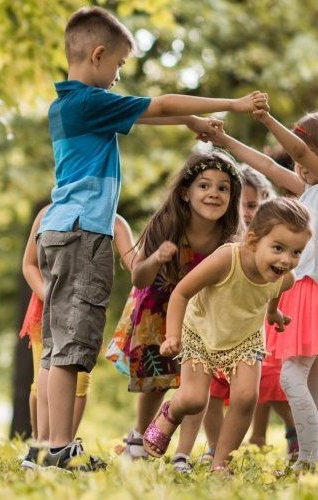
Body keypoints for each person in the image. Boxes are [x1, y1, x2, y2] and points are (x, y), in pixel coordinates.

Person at [36, 5, 265, 469]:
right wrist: (232, 106)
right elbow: (158, 104)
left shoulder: (69, 106)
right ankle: (58, 449)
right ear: (97, 54)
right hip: (83, 234)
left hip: (61, 231)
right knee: (74, 347)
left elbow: (151, 115)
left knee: (60, 345)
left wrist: (190, 124)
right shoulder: (88, 101)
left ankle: (48, 446)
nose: (120, 75)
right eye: (119, 64)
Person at [211, 107, 318, 468]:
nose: (299, 161)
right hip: (310, 291)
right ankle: (317, 458)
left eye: (308, 150)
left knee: (290, 375)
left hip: (312, 290)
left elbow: (298, 153)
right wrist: (223, 141)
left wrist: (267, 119)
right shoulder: (312, 191)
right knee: (315, 380)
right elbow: (269, 168)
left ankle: (308, 460)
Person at [142, 198, 314, 472]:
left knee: (246, 398)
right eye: (278, 248)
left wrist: (272, 314)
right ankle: (170, 412)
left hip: (245, 339)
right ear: (253, 240)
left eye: (296, 252)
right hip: (201, 331)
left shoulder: (285, 277)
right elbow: (182, 292)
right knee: (194, 399)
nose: (286, 260)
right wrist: (172, 335)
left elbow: (276, 292)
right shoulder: (227, 258)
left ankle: (221, 464)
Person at [104, 150, 243, 473]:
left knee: (197, 382)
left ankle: (182, 453)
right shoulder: (168, 223)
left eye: (223, 188)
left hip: (201, 313)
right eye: (204, 186)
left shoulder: (229, 236)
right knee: (157, 379)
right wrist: (156, 258)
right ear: (186, 192)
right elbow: (139, 277)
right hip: (158, 306)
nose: (214, 194)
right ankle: (138, 436)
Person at [19, 205, 135, 469]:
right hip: (45, 313)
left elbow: (134, 261)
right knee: (42, 380)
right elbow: (29, 265)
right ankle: (40, 445)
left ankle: (63, 446)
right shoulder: (47, 214)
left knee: (79, 380)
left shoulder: (112, 220)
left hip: (82, 312)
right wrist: (51, 296)